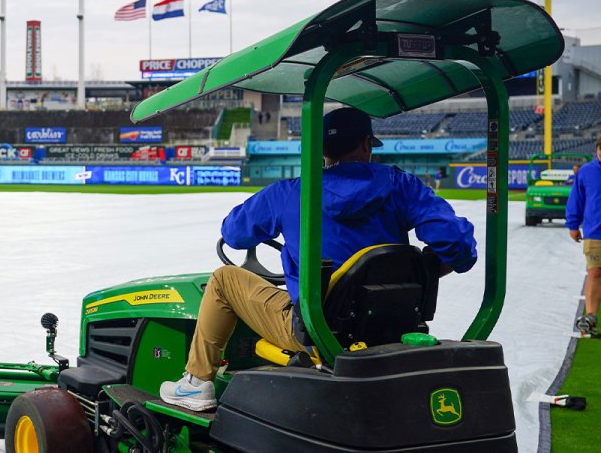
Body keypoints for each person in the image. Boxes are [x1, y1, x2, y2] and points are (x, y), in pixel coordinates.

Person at [160, 107, 478, 411]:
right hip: (393, 325)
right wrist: (424, 270)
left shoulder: (292, 193)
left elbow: (233, 234)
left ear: (322, 149)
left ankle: (196, 381)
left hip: (317, 331)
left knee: (224, 279)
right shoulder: (402, 186)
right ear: (367, 144)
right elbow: (457, 245)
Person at [565, 135, 601, 335]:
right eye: (600, 149)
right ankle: (591, 316)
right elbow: (576, 199)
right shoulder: (586, 172)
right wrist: (573, 224)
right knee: (595, 272)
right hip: (595, 231)